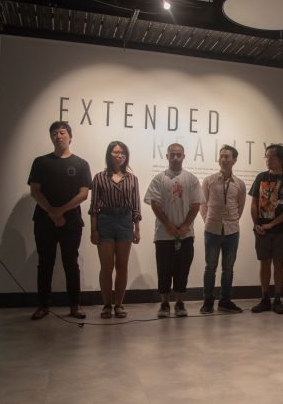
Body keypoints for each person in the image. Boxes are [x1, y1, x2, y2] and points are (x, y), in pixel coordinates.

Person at [28, 121, 91, 320]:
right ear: (51, 137)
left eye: (62, 132)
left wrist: (60, 211)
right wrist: (52, 212)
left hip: (72, 222)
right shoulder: (40, 162)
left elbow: (83, 194)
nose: (58, 136)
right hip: (44, 221)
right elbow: (35, 191)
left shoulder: (81, 163)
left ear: (70, 137)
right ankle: (43, 306)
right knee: (44, 264)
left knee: (71, 263)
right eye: (54, 133)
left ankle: (75, 305)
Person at [144, 143, 203, 318]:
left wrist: (185, 226)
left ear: (184, 156)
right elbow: (155, 203)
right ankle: (164, 303)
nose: (176, 157)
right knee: (164, 270)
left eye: (179, 154)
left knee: (182, 270)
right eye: (172, 154)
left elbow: (196, 204)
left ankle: (179, 302)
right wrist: (168, 225)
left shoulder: (191, 179)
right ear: (167, 156)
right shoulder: (159, 179)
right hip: (163, 235)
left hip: (186, 235)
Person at [89, 141, 141, 319]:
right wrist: (93, 230)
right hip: (105, 220)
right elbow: (94, 206)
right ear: (109, 154)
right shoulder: (99, 177)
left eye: (122, 153)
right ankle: (106, 304)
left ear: (126, 157)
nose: (119, 155)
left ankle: (119, 304)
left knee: (122, 266)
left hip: (125, 221)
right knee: (106, 266)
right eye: (116, 152)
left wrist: (137, 229)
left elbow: (136, 206)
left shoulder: (132, 179)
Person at [249, 144, 283, 314]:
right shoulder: (261, 177)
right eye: (266, 156)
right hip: (262, 230)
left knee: (279, 263)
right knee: (264, 263)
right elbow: (254, 202)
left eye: (271, 156)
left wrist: (272, 224)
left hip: (282, 230)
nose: (268, 160)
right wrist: (256, 223)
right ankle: (265, 298)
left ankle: (278, 298)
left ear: (281, 159)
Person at [199, 145, 246, 314]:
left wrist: (231, 221)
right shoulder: (209, 180)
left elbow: (240, 207)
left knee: (228, 269)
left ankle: (225, 301)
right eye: (221, 156)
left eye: (227, 157)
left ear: (234, 160)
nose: (224, 159)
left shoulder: (239, 184)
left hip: (232, 232)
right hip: (212, 230)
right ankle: (207, 301)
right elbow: (203, 204)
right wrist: (208, 220)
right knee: (210, 268)